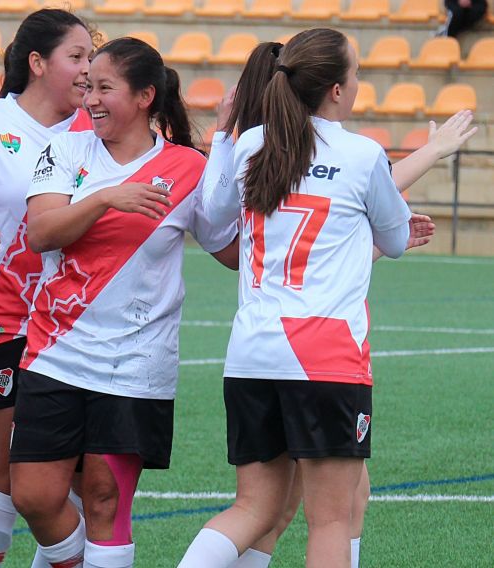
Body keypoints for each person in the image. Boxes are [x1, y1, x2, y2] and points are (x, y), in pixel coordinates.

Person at [198, 39, 477, 568]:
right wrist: (423, 167)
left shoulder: (253, 143)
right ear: (335, 89)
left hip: (251, 353)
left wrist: (219, 138)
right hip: (325, 355)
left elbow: (214, 222)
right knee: (332, 518)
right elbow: (393, 239)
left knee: (253, 508)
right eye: (357, 72)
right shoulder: (361, 152)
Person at [8, 37, 238, 568]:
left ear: (144, 97)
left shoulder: (187, 167)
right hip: (55, 353)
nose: (89, 98)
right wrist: (108, 197)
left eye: (104, 88)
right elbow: (42, 231)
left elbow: (228, 251)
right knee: (35, 496)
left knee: (106, 501)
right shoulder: (65, 150)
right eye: (87, 86)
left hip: (135, 365)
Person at [0, 9, 96, 566]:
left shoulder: (94, 131)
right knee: (11, 473)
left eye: (92, 58)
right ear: (37, 62)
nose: (88, 70)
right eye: (76, 57)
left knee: (66, 484)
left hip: (73, 329)